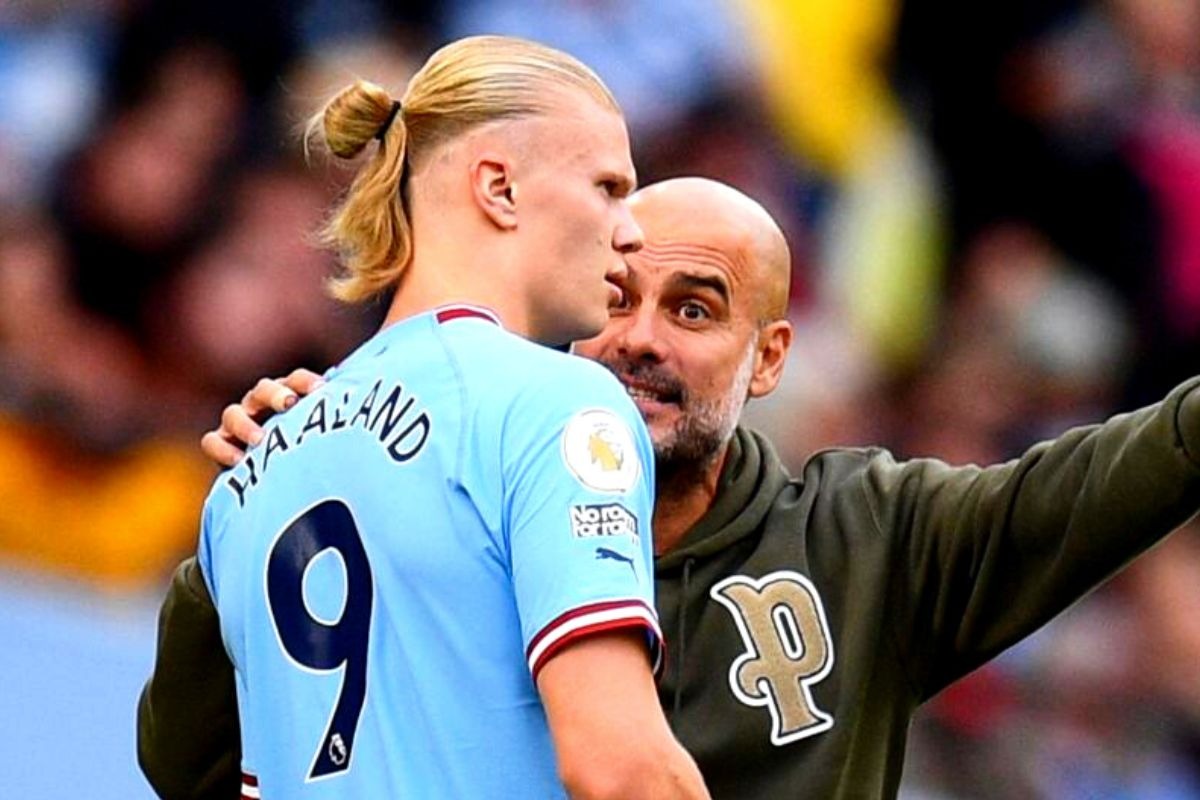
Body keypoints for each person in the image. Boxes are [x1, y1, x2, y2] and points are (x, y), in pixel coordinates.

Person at [140, 176, 1200, 798]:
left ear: (771, 355)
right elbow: (180, 761)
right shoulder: (438, 510)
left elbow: (1153, 455)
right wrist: (273, 494)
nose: (636, 339)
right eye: (615, 295)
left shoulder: (876, 535)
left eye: (695, 310)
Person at [145, 35, 711, 800]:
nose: (632, 230)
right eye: (609, 187)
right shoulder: (557, 402)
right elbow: (622, 769)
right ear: (499, 188)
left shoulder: (251, 467)